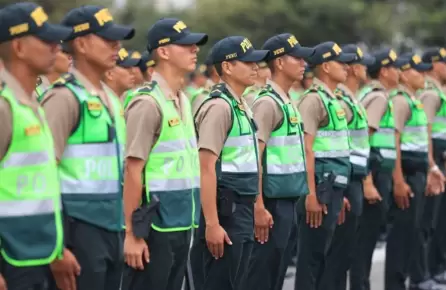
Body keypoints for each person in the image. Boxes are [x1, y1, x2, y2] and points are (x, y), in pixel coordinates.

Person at [39, 5, 134, 290]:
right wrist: (56, 248)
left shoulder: (111, 100)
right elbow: (44, 174)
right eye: (107, 39)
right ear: (80, 44)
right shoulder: (64, 99)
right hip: (77, 230)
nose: (116, 46)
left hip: (112, 226)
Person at [121, 18, 207, 290]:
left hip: (181, 223)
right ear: (164, 51)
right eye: (185, 44)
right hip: (155, 228)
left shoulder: (181, 99)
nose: (195, 49)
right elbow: (133, 169)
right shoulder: (148, 103)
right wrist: (133, 236)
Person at [0, 3, 71, 290]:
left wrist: (57, 250)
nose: (56, 47)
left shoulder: (30, 104)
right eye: (46, 40)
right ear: (18, 46)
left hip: (36, 255)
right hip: (11, 259)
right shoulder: (5, 107)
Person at [191, 36, 268, 290]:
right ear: (227, 67)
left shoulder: (241, 105)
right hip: (226, 211)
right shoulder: (219, 107)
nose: (255, 67)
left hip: (242, 209)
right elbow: (205, 167)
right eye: (247, 62)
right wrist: (212, 224)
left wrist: (257, 204)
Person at [245, 33, 313, 290]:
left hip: (287, 199)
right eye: (297, 57)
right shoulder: (267, 103)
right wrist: (258, 205)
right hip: (271, 203)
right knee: (262, 274)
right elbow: (255, 156)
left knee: (277, 272)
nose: (303, 63)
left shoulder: (287, 101)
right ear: (280, 63)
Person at [293, 41, 355, 290]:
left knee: (325, 256)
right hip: (319, 188)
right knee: (311, 258)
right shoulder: (313, 100)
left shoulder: (332, 99)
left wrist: (342, 194)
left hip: (333, 187)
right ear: (326, 67)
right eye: (342, 63)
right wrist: (310, 195)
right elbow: (306, 149)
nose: (347, 68)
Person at [385, 52, 445, 290]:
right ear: (403, 74)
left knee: (413, 230)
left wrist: (431, 168)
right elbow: (394, 141)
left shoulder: (414, 99)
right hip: (406, 174)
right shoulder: (400, 101)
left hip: (418, 171)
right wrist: (398, 180)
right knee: (402, 234)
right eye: (417, 71)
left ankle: (413, 280)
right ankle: (396, 284)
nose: (423, 75)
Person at [319, 44, 375, 290]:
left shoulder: (352, 101)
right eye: (360, 64)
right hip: (344, 179)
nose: (365, 69)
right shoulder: (339, 102)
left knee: (346, 249)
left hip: (354, 178)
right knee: (338, 251)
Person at [350, 48, 400, 290]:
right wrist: (368, 182)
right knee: (365, 239)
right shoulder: (378, 97)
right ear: (383, 71)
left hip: (377, 172)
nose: (399, 71)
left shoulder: (372, 94)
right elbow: (363, 141)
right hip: (374, 174)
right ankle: (361, 285)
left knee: (365, 238)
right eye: (394, 67)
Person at [419, 47, 446, 286]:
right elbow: (426, 130)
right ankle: (429, 269)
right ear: (432, 65)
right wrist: (432, 164)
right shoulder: (430, 93)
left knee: (440, 218)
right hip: (435, 159)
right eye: (444, 63)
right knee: (432, 219)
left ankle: (437, 267)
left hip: (442, 158)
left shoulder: (439, 91)